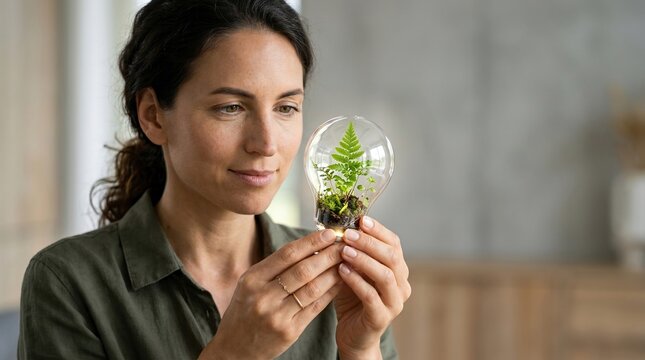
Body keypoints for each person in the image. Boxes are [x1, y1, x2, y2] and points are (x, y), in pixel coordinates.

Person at [18, 0, 411, 358]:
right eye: (231, 107)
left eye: (286, 107)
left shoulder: (342, 280)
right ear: (154, 115)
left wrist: (360, 348)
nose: (266, 143)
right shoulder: (68, 282)